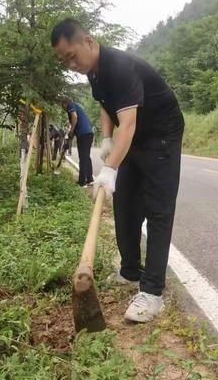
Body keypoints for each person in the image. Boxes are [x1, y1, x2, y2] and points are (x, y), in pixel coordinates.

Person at [51, 18, 184, 323]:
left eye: (72, 56)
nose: (70, 64)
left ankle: (151, 294)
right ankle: (129, 272)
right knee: (125, 202)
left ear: (88, 40)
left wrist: (109, 168)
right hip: (134, 134)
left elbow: (130, 122)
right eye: (64, 61)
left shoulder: (120, 67)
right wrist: (107, 138)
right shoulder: (94, 73)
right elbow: (106, 104)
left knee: (158, 208)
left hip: (161, 133)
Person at [61, 98, 94, 187]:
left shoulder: (71, 105)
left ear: (64, 104)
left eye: (62, 106)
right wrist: (68, 143)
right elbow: (73, 129)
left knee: (83, 157)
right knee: (86, 157)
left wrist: (71, 131)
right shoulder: (75, 106)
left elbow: (74, 117)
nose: (63, 108)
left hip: (84, 135)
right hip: (88, 134)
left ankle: (82, 182)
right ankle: (90, 179)